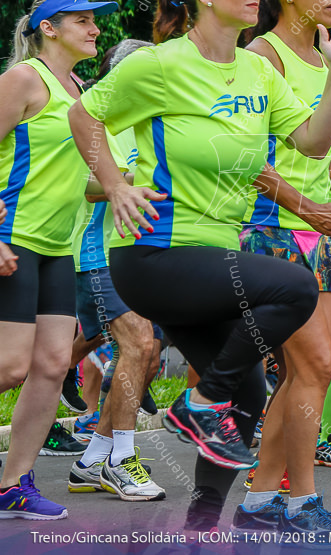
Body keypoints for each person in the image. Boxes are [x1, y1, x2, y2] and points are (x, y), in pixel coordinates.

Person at [68, 0, 331, 538]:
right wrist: (114, 183)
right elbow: (85, 115)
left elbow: (311, 141)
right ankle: (199, 404)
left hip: (213, 259)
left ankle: (203, 525)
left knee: (251, 394)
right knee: (292, 288)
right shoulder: (158, 65)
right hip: (155, 253)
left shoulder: (257, 69)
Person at [234, 0, 331, 527]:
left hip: (315, 234)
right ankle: (301, 500)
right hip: (272, 228)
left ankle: (261, 501)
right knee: (315, 366)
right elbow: (250, 162)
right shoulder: (260, 55)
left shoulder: (325, 59)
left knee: (309, 370)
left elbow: (321, 153)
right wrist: (311, 208)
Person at [0, 0, 118, 520]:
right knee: (7, 365)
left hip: (58, 248)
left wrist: (133, 186)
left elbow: (87, 184)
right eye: (83, 21)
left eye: (96, 22)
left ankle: (13, 485)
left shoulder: (82, 93)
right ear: (48, 27)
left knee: (50, 364)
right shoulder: (23, 80)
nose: (95, 30)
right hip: (15, 236)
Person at [67, 39, 167, 502]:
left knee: (145, 353)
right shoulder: (96, 119)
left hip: (141, 252)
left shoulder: (151, 123)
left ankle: (92, 462)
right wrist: (128, 181)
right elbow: (84, 187)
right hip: (98, 251)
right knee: (138, 344)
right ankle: (121, 461)